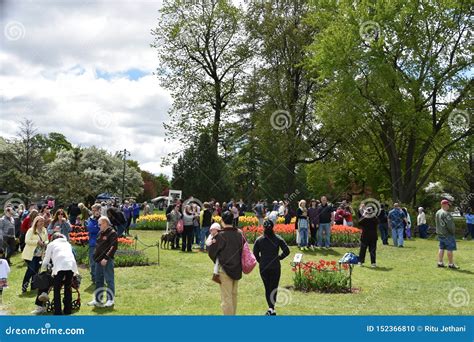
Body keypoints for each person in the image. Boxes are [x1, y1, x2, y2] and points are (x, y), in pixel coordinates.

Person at [208, 211, 243, 315]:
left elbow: (211, 252)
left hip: (225, 270)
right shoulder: (239, 234)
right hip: (237, 268)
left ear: (222, 221)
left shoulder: (220, 235)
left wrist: (218, 260)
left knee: (226, 298)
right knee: (233, 296)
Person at [253, 219, 290, 315]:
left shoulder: (259, 240)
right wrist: (279, 258)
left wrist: (260, 261)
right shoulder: (278, 238)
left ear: (263, 228)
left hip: (264, 266)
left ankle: (271, 308)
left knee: (267, 288)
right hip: (275, 266)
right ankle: (271, 308)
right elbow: (287, 251)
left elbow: (255, 253)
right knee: (274, 287)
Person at [41, 233, 78, 315]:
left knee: (57, 289)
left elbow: (46, 259)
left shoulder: (51, 244)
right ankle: (67, 310)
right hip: (70, 265)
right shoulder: (67, 243)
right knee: (68, 288)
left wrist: (42, 268)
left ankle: (58, 311)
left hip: (60, 266)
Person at [89, 216, 118, 307]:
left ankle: (110, 300)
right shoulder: (100, 233)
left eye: (100, 224)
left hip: (107, 261)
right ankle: (98, 300)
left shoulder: (112, 233)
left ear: (105, 223)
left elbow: (113, 247)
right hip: (98, 261)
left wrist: (106, 258)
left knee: (109, 280)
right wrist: (95, 256)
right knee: (99, 280)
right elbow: (97, 245)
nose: (99, 226)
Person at [21, 216, 48, 293]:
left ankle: (34, 286)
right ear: (36, 222)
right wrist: (37, 242)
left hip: (40, 254)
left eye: (43, 221)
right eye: (40, 221)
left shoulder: (44, 230)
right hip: (30, 254)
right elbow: (27, 241)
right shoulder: (31, 230)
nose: (42, 223)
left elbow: (46, 240)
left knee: (36, 270)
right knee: (30, 270)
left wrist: (45, 243)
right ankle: (24, 286)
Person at [435, 200, 459, 269]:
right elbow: (450, 226)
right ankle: (451, 264)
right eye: (448, 205)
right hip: (447, 234)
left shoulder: (438, 212)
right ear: (445, 205)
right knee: (450, 248)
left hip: (440, 233)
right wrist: (453, 232)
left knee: (441, 248)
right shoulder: (446, 213)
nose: (449, 206)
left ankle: (440, 262)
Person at [86, 204, 101, 283]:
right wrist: (97, 226)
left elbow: (104, 229)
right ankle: (94, 278)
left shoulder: (103, 219)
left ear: (99, 210)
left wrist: (97, 227)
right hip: (93, 243)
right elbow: (90, 229)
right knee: (93, 262)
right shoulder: (90, 219)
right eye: (93, 210)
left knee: (101, 261)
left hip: (102, 243)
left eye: (95, 210)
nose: (94, 212)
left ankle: (100, 277)